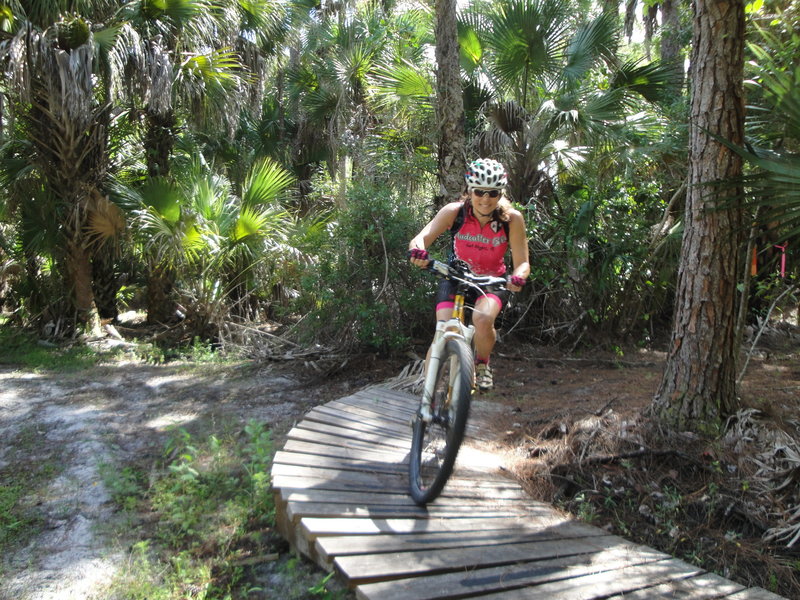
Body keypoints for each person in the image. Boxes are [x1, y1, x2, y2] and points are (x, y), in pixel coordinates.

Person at [408, 158, 530, 391]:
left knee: (483, 320)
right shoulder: (454, 212)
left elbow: (522, 262)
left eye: (493, 193)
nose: (485, 199)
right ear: (469, 190)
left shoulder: (511, 219)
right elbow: (421, 237)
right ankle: (428, 388)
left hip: (491, 281)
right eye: (479, 192)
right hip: (455, 276)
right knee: (442, 328)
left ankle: (482, 364)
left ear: (500, 193)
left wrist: (518, 277)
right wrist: (418, 250)